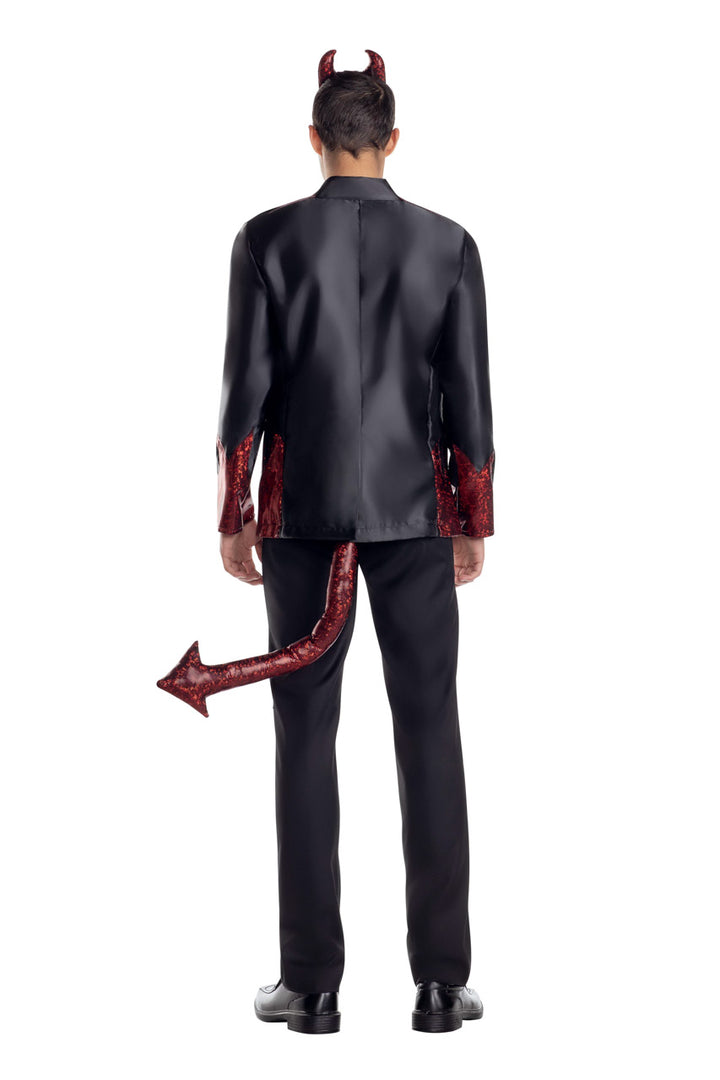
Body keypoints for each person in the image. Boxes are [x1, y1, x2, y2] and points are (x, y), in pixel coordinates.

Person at [215, 48, 495, 1035]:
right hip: (416, 515)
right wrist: (473, 518)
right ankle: (440, 984)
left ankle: (312, 986)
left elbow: (243, 390)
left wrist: (233, 512)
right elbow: (470, 396)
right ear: (392, 138)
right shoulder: (449, 244)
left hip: (304, 518)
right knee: (430, 731)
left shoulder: (266, 240)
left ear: (314, 138)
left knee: (304, 736)